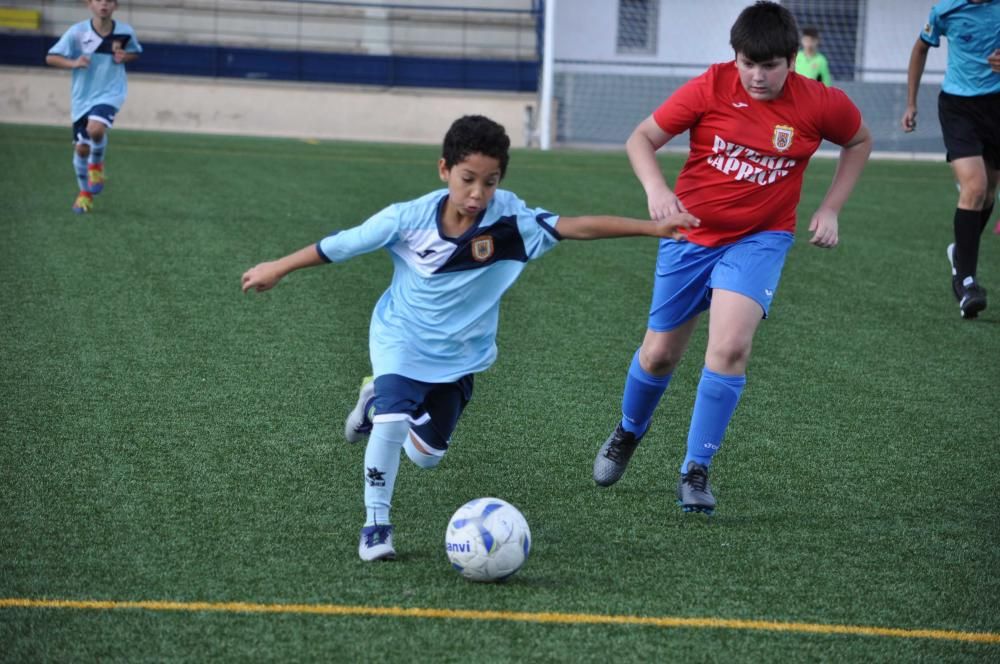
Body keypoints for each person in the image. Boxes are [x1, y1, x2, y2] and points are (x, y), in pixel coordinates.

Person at [241, 115, 699, 561]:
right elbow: (339, 245)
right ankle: (375, 523)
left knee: (426, 457)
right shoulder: (406, 218)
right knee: (393, 424)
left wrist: (652, 228)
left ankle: (374, 398)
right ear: (444, 170)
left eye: (490, 181)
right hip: (400, 339)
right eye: (467, 179)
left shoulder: (510, 221)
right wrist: (277, 268)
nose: (478, 194)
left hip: (462, 356)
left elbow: (575, 226)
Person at [591, 1, 871, 515]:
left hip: (760, 239)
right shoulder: (710, 86)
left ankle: (695, 470)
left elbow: (858, 139)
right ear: (734, 57)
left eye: (769, 66)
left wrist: (830, 208)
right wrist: (657, 191)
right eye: (747, 63)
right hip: (689, 235)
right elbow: (642, 138)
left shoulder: (819, 102)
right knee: (658, 356)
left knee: (729, 350)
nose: (757, 76)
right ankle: (629, 432)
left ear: (792, 60)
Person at [901, 1, 1000, 319]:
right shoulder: (944, 11)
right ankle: (966, 282)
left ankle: (960, 249)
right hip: (958, 106)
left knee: (988, 194)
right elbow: (919, 50)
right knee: (975, 187)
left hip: (996, 106)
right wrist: (911, 103)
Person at [46, 0, 142, 214]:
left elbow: (135, 52)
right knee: (81, 148)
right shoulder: (77, 32)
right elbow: (51, 57)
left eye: (109, 1)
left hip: (111, 92)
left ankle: (96, 166)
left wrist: (126, 56)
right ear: (89, 4)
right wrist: (73, 63)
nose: (104, 5)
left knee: (95, 129)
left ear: (115, 6)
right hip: (82, 98)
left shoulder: (125, 32)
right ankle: (84, 193)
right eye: (99, 0)